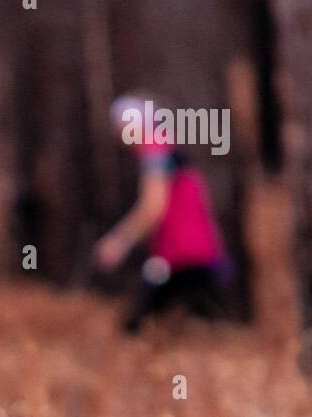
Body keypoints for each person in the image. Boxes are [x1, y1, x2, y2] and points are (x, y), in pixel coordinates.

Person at [93, 93, 229, 333]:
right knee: (202, 319)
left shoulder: (154, 152)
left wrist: (119, 241)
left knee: (136, 322)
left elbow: (153, 206)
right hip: (197, 252)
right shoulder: (168, 148)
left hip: (179, 255)